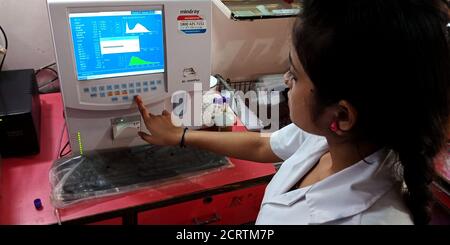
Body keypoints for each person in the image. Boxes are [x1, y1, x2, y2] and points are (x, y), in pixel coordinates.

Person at [135, 0, 449, 225]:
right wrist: (181, 136)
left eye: (295, 74)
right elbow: (262, 145)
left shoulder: (374, 218)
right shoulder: (330, 139)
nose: (285, 81)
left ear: (341, 115)